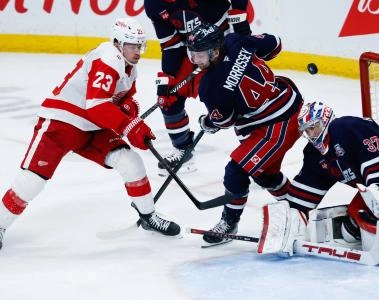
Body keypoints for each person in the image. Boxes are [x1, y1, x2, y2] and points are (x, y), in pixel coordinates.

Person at [0, 18, 181, 250]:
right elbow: (96, 105)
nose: (138, 51)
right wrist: (130, 126)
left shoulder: (130, 68)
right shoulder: (108, 58)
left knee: (131, 162)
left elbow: (119, 101)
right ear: (118, 43)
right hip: (62, 122)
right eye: (133, 46)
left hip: (93, 128)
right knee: (32, 180)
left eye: (140, 46)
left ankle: (148, 216)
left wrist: (128, 109)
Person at [258, 101, 379, 276]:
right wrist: (285, 218)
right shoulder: (314, 155)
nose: (311, 134)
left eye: (313, 127)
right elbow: (303, 196)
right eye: (306, 131)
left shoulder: (347, 127)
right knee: (355, 215)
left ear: (325, 120)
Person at [185, 23, 303, 245]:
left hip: (276, 125)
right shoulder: (235, 41)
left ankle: (229, 222)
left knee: (236, 172)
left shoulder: (209, 86)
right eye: (192, 54)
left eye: (200, 55)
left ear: (216, 50)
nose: (196, 60)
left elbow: (225, 121)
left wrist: (207, 122)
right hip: (289, 101)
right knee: (264, 174)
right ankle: (298, 207)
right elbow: (274, 44)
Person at [144, 0, 251, 176]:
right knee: (170, 96)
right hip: (193, 49)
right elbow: (171, 45)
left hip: (222, 41)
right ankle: (183, 150)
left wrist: (239, 16)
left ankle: (255, 151)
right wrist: (168, 77)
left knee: (236, 95)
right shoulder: (153, 4)